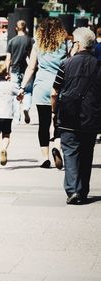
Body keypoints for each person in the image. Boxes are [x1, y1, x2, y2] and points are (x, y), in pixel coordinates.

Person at [50, 27, 101, 204]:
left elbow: (55, 92)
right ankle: (83, 190)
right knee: (87, 154)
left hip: (68, 115)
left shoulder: (66, 64)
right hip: (91, 116)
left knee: (70, 152)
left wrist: (54, 112)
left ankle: (73, 190)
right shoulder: (99, 65)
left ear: (77, 44)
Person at [19, 17, 69, 169]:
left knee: (44, 123)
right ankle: (57, 147)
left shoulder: (37, 45)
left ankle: (45, 158)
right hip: (60, 86)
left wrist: (22, 87)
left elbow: (31, 68)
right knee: (60, 121)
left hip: (41, 86)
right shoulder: (64, 45)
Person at [5, 20, 34, 124]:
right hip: (27, 70)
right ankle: (26, 108)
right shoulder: (30, 40)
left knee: (15, 94)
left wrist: (7, 71)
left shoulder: (12, 41)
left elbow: (8, 58)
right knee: (28, 92)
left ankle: (16, 118)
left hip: (15, 70)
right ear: (26, 28)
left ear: (16, 28)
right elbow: (32, 57)